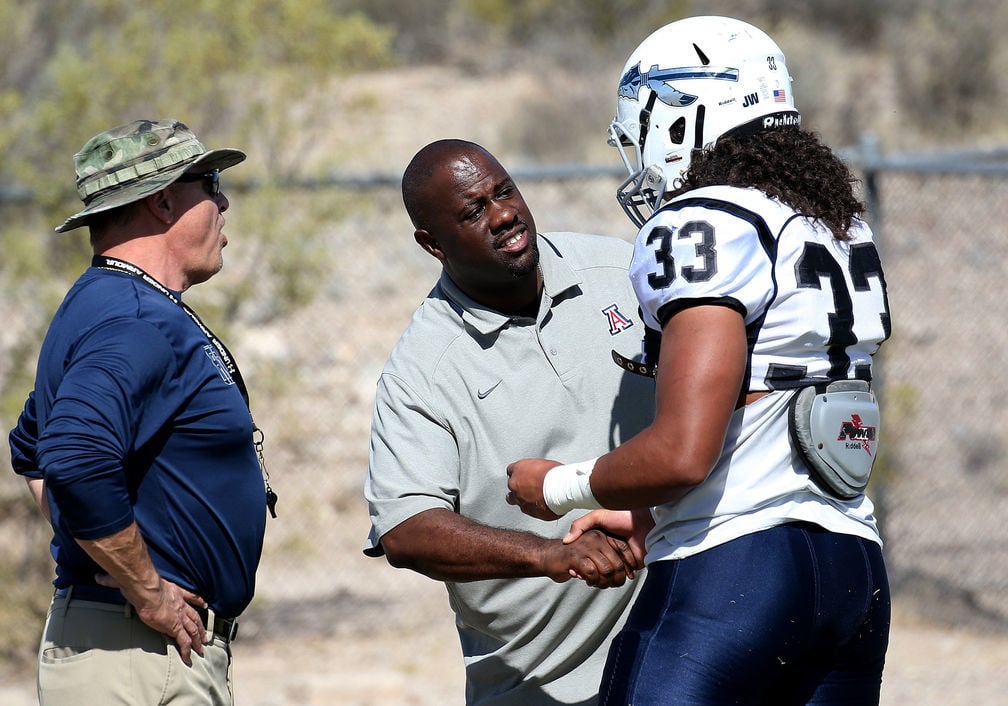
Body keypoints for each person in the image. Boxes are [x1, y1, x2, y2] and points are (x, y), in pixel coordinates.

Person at [507, 16, 893, 705]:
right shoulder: (833, 223)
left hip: (734, 580)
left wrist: (562, 486)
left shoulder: (702, 222)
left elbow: (686, 451)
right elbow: (773, 416)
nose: (641, 153)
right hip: (852, 574)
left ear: (686, 114)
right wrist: (643, 513)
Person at [363, 139, 657, 705]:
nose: (502, 215)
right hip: (543, 683)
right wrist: (549, 555)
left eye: (505, 192)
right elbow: (406, 529)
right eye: (473, 212)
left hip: (684, 638)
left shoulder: (622, 270)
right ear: (432, 243)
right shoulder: (423, 368)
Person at [9, 119, 272, 705]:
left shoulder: (106, 304)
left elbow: (32, 446)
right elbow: (72, 457)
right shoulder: (133, 320)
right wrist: (147, 592)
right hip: (137, 657)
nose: (223, 201)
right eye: (208, 183)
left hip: (132, 653)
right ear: (161, 201)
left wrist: (86, 535)